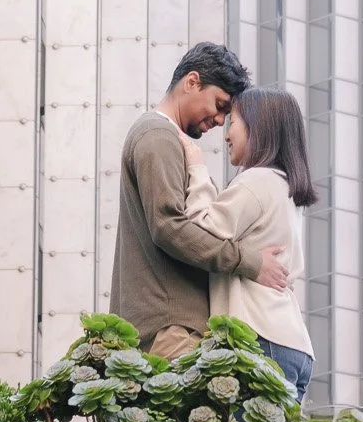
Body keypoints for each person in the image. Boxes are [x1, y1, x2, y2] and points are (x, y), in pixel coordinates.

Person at [111, 42, 292, 361]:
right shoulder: (157, 135)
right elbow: (169, 227)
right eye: (220, 105)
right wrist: (250, 262)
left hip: (176, 329)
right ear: (192, 82)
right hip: (171, 332)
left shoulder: (165, 138)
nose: (222, 121)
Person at [183, 84, 317, 400]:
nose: (227, 134)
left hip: (260, 339)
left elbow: (200, 230)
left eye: (234, 123)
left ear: (259, 128)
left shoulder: (257, 181)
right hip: (294, 345)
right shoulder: (285, 189)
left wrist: (196, 169)